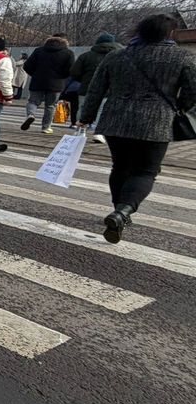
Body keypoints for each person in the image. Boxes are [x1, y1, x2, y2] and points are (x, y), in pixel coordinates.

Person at [78, 14, 196, 244]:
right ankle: (123, 211)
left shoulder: (117, 55)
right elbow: (193, 91)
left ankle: (118, 210)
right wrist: (179, 107)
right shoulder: (182, 57)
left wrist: (86, 117)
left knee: (120, 167)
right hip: (156, 121)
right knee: (145, 171)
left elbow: (96, 89)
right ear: (170, 33)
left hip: (115, 119)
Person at [71, 32, 121, 144]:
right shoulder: (119, 56)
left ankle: (80, 130)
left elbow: (74, 72)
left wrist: (83, 80)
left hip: (86, 87)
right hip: (109, 89)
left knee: (83, 108)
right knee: (102, 111)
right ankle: (99, 133)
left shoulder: (85, 56)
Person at [21, 34, 75, 135]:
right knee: (50, 105)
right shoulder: (68, 53)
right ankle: (46, 127)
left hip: (37, 81)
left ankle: (30, 115)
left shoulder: (39, 50)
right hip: (56, 83)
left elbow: (27, 65)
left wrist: (35, 74)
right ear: (65, 41)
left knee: (33, 101)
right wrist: (62, 77)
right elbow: (71, 70)